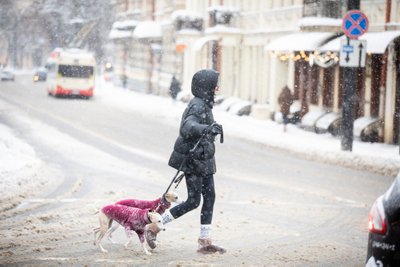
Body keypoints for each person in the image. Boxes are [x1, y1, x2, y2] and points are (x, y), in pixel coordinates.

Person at [145, 69, 226, 254]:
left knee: (210, 196)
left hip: (204, 159)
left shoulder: (204, 103)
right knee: (193, 201)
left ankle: (205, 240)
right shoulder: (197, 105)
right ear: (207, 87)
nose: (217, 88)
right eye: (215, 85)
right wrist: (206, 128)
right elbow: (187, 126)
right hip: (194, 160)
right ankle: (153, 227)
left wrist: (211, 129)